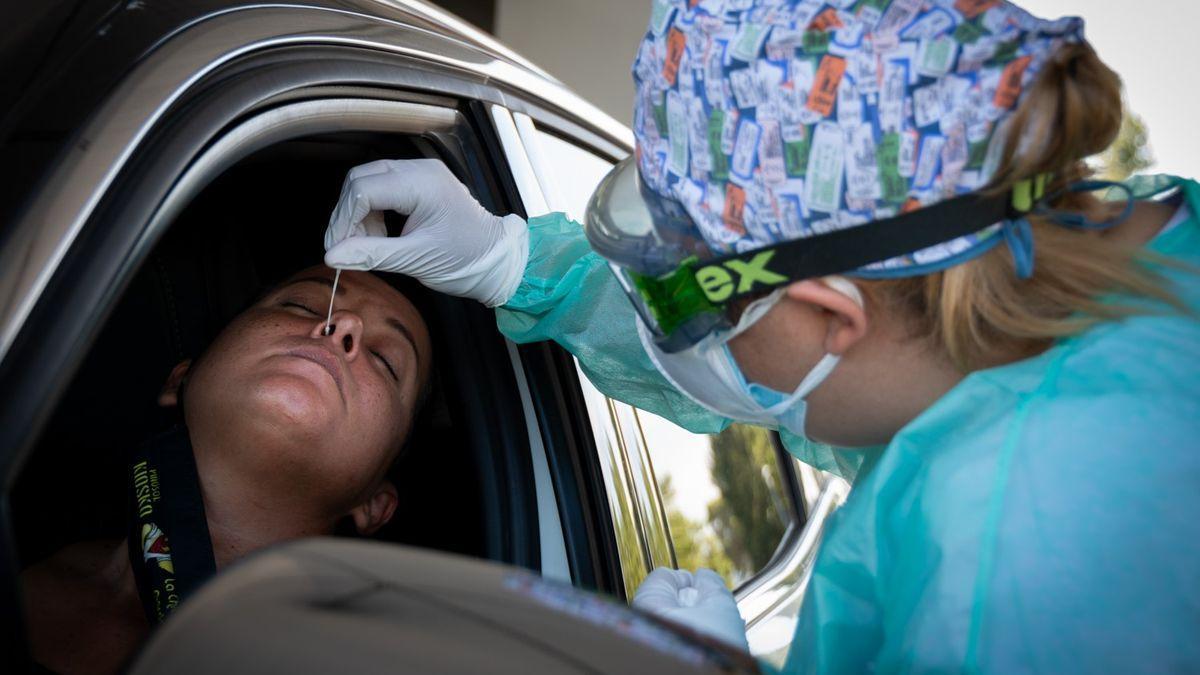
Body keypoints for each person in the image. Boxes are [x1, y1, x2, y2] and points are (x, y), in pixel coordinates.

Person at [322, 1, 1200, 671]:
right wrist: (511, 262)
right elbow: (763, 303)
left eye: (679, 299)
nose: (668, 331)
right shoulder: (1061, 265)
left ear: (835, 314)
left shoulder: (1021, 557)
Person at [20, 266, 432, 675]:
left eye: (385, 360)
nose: (344, 324)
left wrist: (500, 280)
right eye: (302, 306)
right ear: (182, 379)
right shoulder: (23, 533)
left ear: (375, 503)